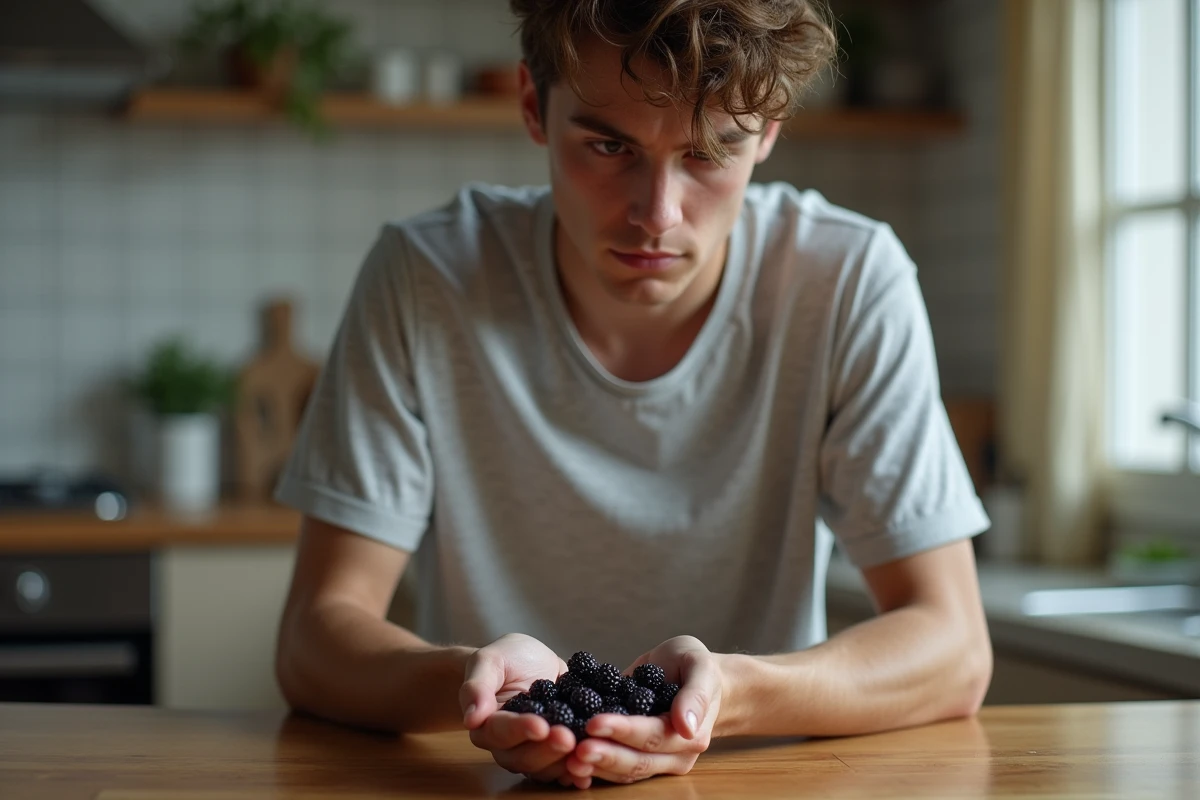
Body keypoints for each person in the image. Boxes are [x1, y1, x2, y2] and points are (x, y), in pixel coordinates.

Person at [272, 0, 994, 789]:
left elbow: (954, 651)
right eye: (608, 145)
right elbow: (314, 642)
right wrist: (469, 684)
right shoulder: (424, 279)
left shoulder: (847, 281)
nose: (658, 214)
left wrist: (729, 694)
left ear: (771, 130)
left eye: (711, 152)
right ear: (531, 107)